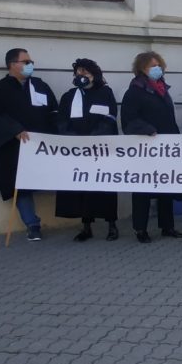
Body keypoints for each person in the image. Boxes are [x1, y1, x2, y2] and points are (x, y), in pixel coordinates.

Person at [0, 48, 58, 241]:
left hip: (41, 145)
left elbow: (53, 111)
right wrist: (15, 130)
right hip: (15, 146)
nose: (30, 64)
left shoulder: (40, 86)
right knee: (20, 185)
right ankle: (32, 224)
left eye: (30, 61)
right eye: (25, 61)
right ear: (12, 64)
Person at [121, 51, 182, 243]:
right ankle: (140, 229)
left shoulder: (162, 89)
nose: (157, 69)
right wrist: (148, 129)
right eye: (152, 66)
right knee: (142, 189)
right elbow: (129, 121)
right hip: (145, 147)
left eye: (158, 65)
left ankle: (167, 226)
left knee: (166, 185)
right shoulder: (134, 91)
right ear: (141, 69)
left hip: (165, 147)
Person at [54, 58, 119, 242]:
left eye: (85, 72)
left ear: (94, 75)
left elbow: (110, 117)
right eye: (78, 72)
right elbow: (61, 120)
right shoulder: (69, 96)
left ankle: (111, 225)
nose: (81, 76)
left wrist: (94, 139)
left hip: (100, 149)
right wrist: (73, 139)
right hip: (77, 151)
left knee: (105, 188)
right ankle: (86, 226)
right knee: (82, 189)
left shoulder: (105, 93)